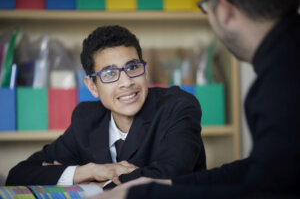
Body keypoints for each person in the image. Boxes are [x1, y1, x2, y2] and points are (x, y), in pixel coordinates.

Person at [93, 0, 300, 198]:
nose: (126, 81)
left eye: (206, 8)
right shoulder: (287, 61)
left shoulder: (281, 83)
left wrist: (138, 195)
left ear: (225, 9)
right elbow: (264, 171)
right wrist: (167, 185)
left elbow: (271, 192)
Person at [5, 25, 206, 188]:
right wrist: (89, 171)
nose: (126, 82)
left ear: (145, 72)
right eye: (110, 74)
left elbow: (169, 176)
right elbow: (18, 175)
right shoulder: (86, 119)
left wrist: (97, 186)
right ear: (92, 86)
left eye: (133, 67)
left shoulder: (178, 106)